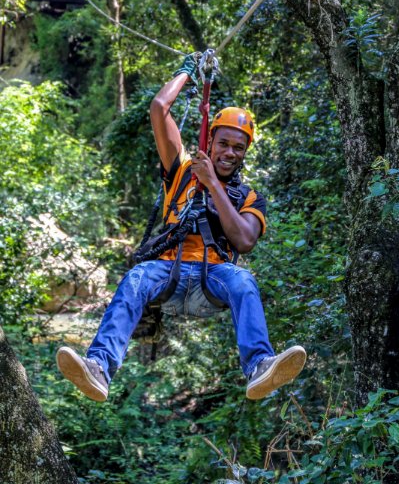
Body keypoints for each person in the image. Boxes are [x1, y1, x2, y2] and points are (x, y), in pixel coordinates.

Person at [56, 54, 307, 403]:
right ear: (210, 142)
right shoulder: (182, 170)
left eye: (238, 147)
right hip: (168, 275)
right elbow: (159, 108)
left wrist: (213, 186)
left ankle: (259, 365)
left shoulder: (249, 197)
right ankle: (99, 367)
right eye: (223, 143)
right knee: (136, 277)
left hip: (213, 280)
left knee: (245, 280)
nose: (229, 152)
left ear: (245, 152)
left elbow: (245, 241)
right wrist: (187, 72)